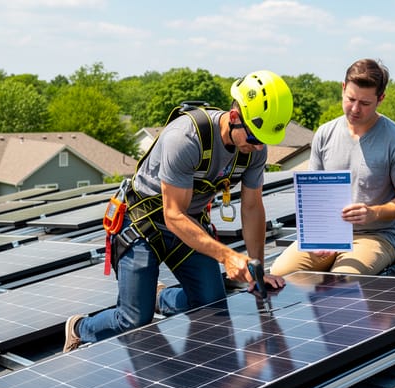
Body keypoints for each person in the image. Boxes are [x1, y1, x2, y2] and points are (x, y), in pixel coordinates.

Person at [63, 70, 293, 352]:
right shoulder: (185, 138)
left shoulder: (256, 150)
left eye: (264, 140)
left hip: (190, 224)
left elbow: (253, 207)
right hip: (142, 225)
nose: (258, 146)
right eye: (255, 137)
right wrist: (228, 256)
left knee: (212, 305)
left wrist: (257, 269)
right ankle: (79, 328)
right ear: (234, 117)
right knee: (134, 320)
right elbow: (173, 214)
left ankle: (160, 297)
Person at [270, 58, 395, 276]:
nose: (355, 109)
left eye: (365, 103)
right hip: (327, 234)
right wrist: (319, 236)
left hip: (374, 236)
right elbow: (316, 196)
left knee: (343, 282)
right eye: (351, 99)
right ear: (342, 88)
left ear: (381, 99)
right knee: (279, 276)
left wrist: (374, 213)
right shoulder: (324, 134)